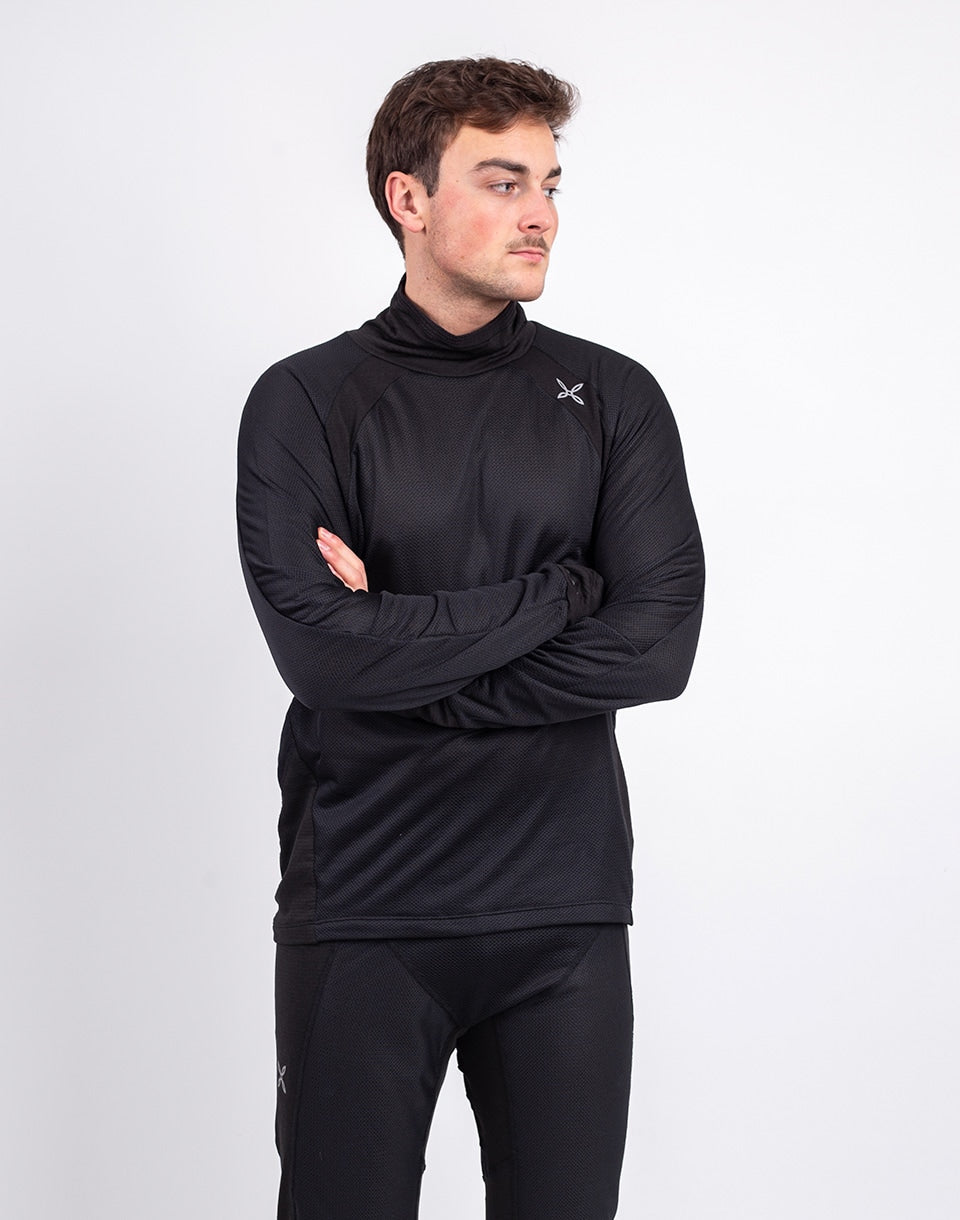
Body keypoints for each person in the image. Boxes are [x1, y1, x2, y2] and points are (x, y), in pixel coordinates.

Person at [237, 56, 704, 1220]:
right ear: (409, 197)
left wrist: (397, 649)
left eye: (549, 183)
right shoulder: (307, 401)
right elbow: (323, 658)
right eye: (502, 182)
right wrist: (557, 593)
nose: (540, 213)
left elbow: (656, 649)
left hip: (564, 917)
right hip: (367, 908)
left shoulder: (614, 399)